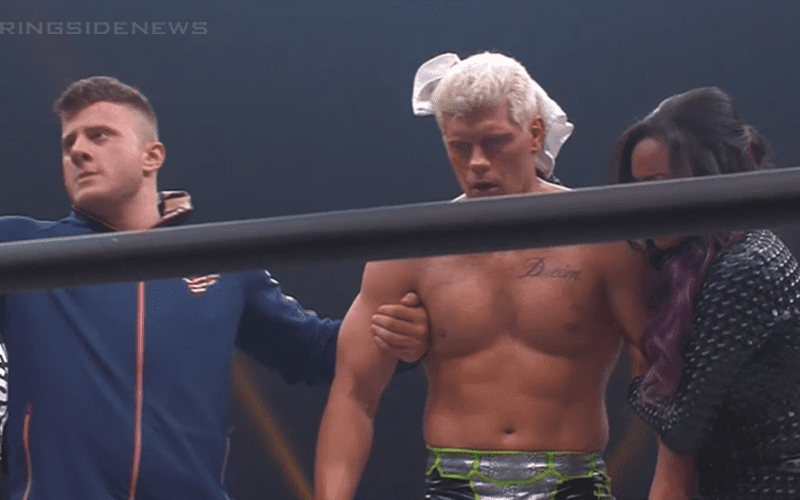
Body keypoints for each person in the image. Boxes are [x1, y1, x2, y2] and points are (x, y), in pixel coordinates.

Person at [0, 76, 431, 500]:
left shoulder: (219, 261)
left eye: (99, 136)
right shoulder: (22, 246)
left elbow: (317, 352)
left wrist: (395, 338)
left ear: (152, 156)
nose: (77, 151)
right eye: (68, 143)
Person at [314, 52, 649, 500]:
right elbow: (354, 392)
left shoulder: (601, 242)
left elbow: (663, 370)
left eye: (494, 142)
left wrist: (671, 485)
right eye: (459, 147)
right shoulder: (412, 252)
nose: (476, 163)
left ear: (534, 134)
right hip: (454, 482)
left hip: (573, 481)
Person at [619, 87, 800, 500]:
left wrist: (638, 374)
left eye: (660, 185)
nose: (646, 205)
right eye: (636, 189)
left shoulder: (743, 267)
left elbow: (682, 430)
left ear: (708, 175)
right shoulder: (726, 258)